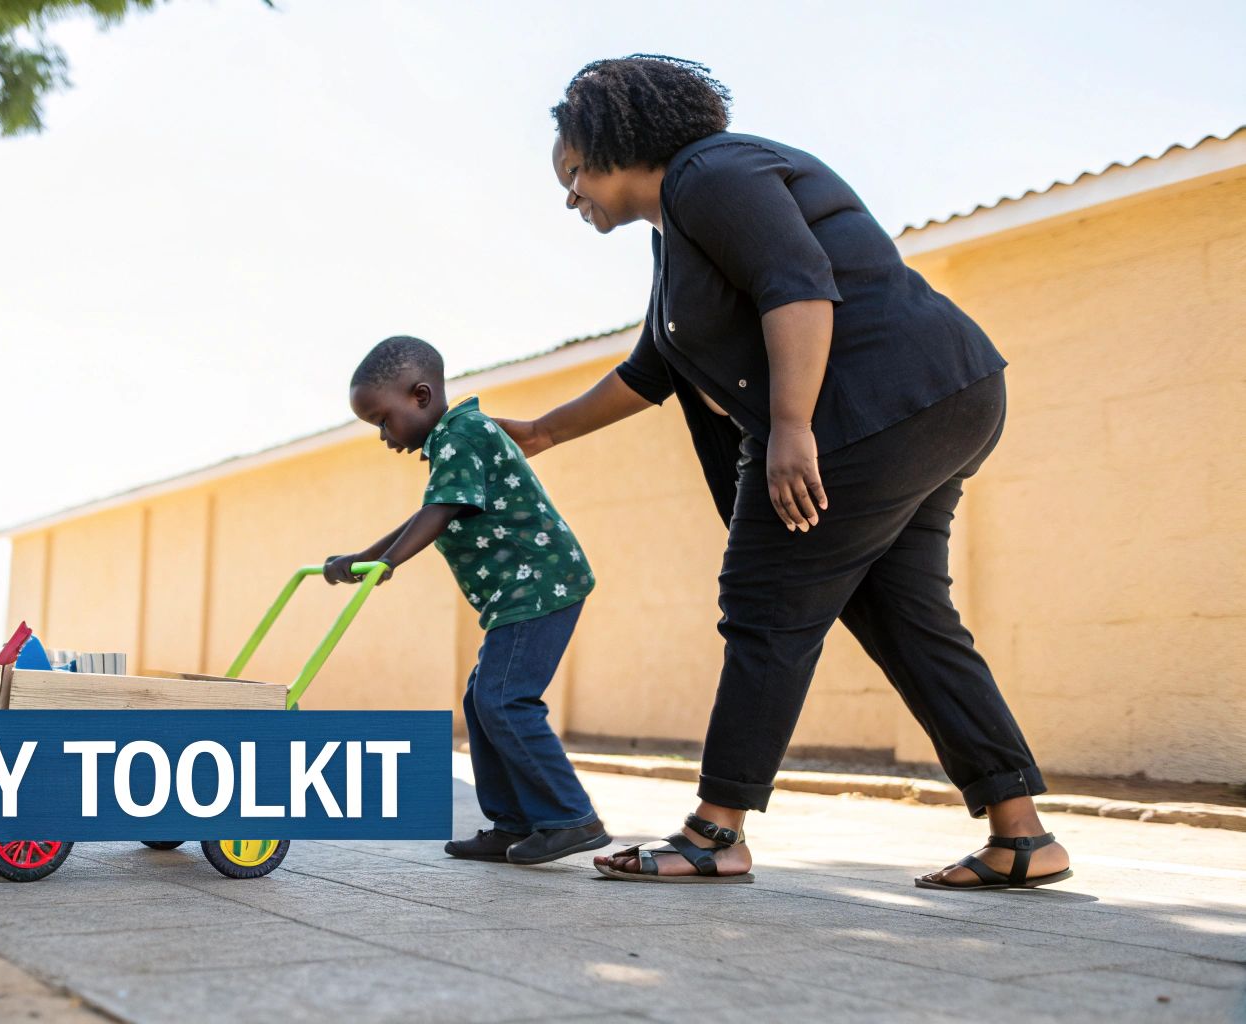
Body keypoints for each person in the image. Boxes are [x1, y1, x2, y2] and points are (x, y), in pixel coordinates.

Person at [496, 55, 1071, 890]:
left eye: (574, 173)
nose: (571, 195)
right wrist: (544, 432)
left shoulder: (712, 174)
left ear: (615, 146)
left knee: (766, 605)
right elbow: (654, 366)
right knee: (909, 619)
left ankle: (714, 831)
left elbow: (796, 284)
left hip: (869, 411)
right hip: (934, 398)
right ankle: (1020, 834)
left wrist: (792, 428)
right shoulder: (680, 230)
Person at [325, 336, 610, 865]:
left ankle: (571, 817)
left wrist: (389, 563)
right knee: (483, 701)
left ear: (421, 395)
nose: (383, 436)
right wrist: (364, 555)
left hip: (541, 586)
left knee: (504, 700)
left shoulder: (462, 435)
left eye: (383, 421)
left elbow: (442, 509)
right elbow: (428, 511)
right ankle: (513, 823)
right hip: (517, 594)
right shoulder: (453, 441)